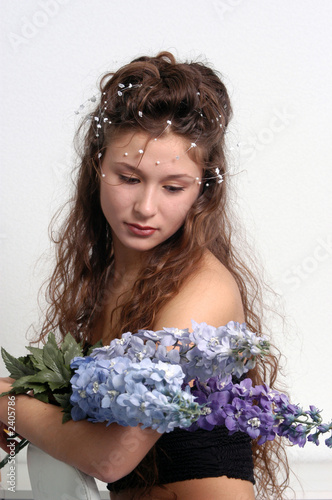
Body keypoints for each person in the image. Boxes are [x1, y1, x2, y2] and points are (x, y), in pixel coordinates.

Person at [0, 52, 289, 499]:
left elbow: (111, 457)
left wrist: (5, 401)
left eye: (174, 187)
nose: (146, 208)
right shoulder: (103, 278)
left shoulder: (200, 294)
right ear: (97, 165)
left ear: (202, 190)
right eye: (129, 178)